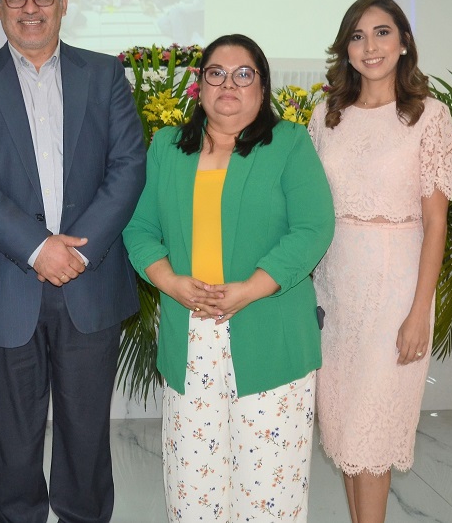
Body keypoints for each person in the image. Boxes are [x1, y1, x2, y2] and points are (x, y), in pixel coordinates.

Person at [0, 0, 146, 523]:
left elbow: (128, 167)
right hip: (9, 283)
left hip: (89, 278)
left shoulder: (104, 75)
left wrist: (73, 254)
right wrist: (38, 249)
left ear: (61, 2)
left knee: (86, 434)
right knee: (11, 437)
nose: (29, 8)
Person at [123, 34, 335, 521]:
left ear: (262, 88)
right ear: (199, 85)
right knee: (194, 487)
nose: (229, 84)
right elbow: (140, 229)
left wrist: (249, 289)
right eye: (215, 72)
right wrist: (171, 282)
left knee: (267, 491)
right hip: (189, 335)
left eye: (244, 74)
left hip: (270, 332)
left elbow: (313, 228)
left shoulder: (289, 143)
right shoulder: (167, 147)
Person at [309, 0, 452, 523]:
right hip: (334, 289)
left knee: (371, 436)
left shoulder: (429, 116)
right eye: (357, 35)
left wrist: (420, 310)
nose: (370, 46)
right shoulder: (327, 115)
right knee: (348, 432)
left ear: (404, 42)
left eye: (382, 33)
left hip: (395, 287)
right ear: (345, 48)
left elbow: (436, 222)